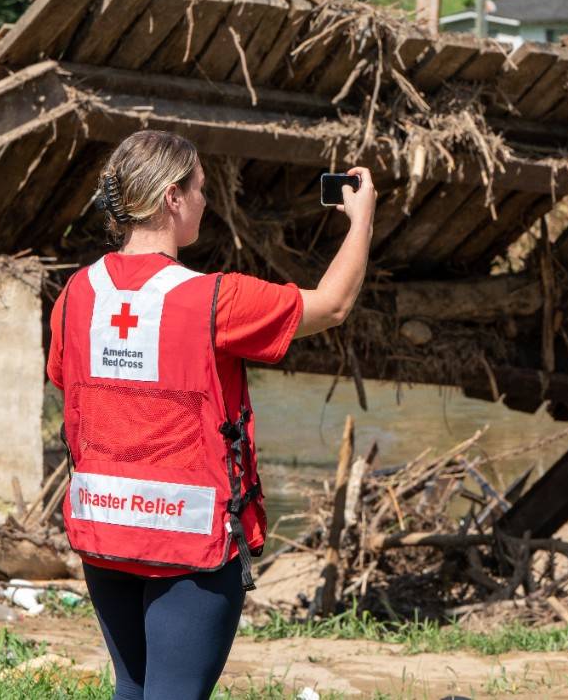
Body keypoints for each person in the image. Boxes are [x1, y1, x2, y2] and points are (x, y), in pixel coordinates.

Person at [45, 129, 376, 700]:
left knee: (134, 687)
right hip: (189, 539)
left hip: (104, 526)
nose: (206, 200)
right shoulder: (214, 299)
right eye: (199, 188)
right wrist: (362, 219)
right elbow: (333, 305)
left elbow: (73, 384)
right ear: (172, 198)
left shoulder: (77, 294)